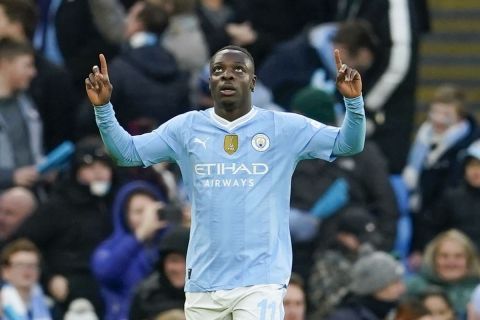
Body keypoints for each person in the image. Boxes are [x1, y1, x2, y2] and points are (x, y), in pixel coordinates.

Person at [86, 45, 365, 319]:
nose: (227, 76)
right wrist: (103, 108)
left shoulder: (284, 128)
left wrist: (353, 103)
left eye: (238, 70)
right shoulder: (185, 128)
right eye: (218, 70)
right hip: (203, 281)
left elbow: (348, 144)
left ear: (253, 82)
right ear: (209, 83)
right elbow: (127, 153)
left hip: (261, 280)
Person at [91, 180, 170, 320]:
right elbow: (105, 272)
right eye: (139, 212)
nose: (147, 217)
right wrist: (139, 236)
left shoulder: (170, 244)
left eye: (151, 211)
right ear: (125, 216)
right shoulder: (110, 248)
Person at [406, 229, 480, 318]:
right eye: (444, 256)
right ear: (433, 259)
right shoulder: (413, 288)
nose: (451, 262)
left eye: (458, 256)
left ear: (469, 260)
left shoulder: (477, 290)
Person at [0, 37, 42, 191]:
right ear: (5, 64)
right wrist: (10, 177)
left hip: (32, 197)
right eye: (27, 65)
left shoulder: (27, 103)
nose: (33, 72)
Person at [129, 226, 190, 320]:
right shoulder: (145, 295)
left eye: (188, 261)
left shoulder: (210, 297)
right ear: (163, 263)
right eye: (174, 261)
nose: (181, 268)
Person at [325, 251, 406, 320]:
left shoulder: (385, 314)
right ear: (375, 286)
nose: (402, 288)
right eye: (395, 283)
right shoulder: (344, 318)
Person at [1, 238, 53, 319]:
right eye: (20, 265)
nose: (27, 270)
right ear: (6, 272)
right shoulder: (2, 305)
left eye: (32, 265)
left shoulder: (50, 306)